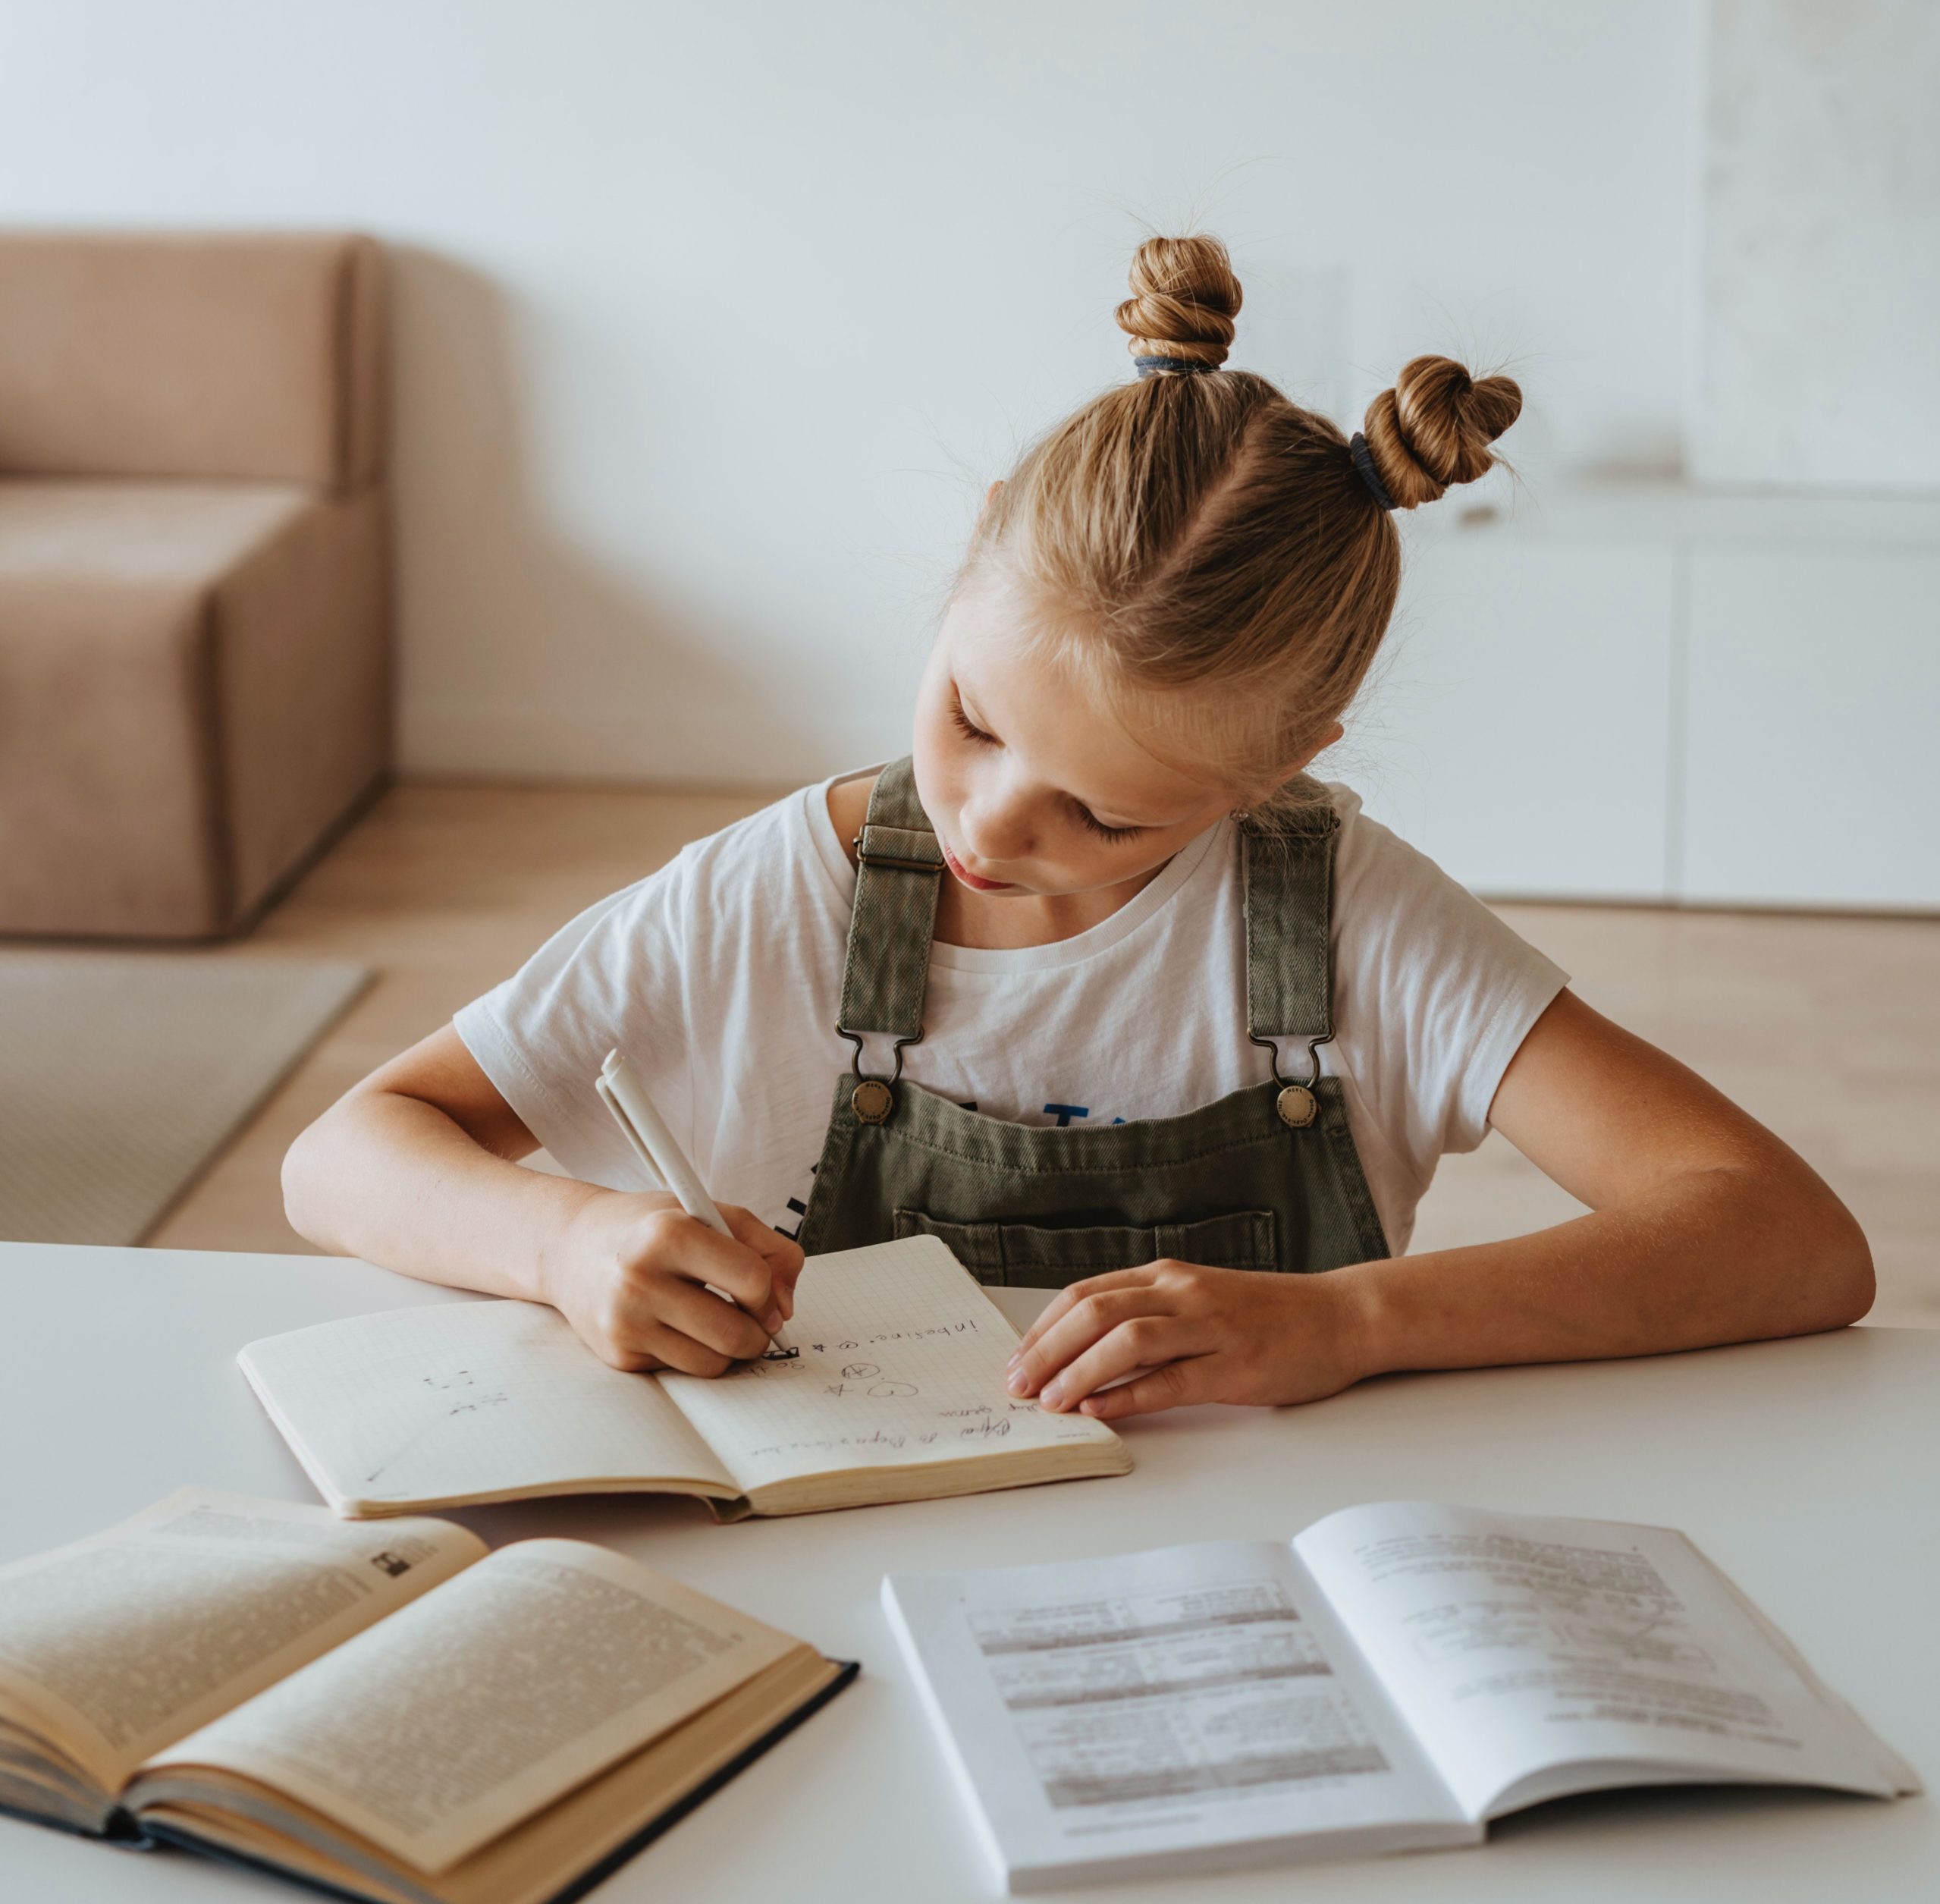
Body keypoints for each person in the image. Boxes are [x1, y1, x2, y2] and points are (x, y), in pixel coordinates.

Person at [284, 234, 1873, 1422]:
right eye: (972, 717)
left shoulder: (1349, 923)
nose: (984, 815)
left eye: (1106, 810)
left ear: (1279, 765)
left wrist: (1353, 1323)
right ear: (975, 549)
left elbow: (1788, 1239)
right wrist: (565, 1243)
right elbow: (343, 1154)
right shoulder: (775, 897)